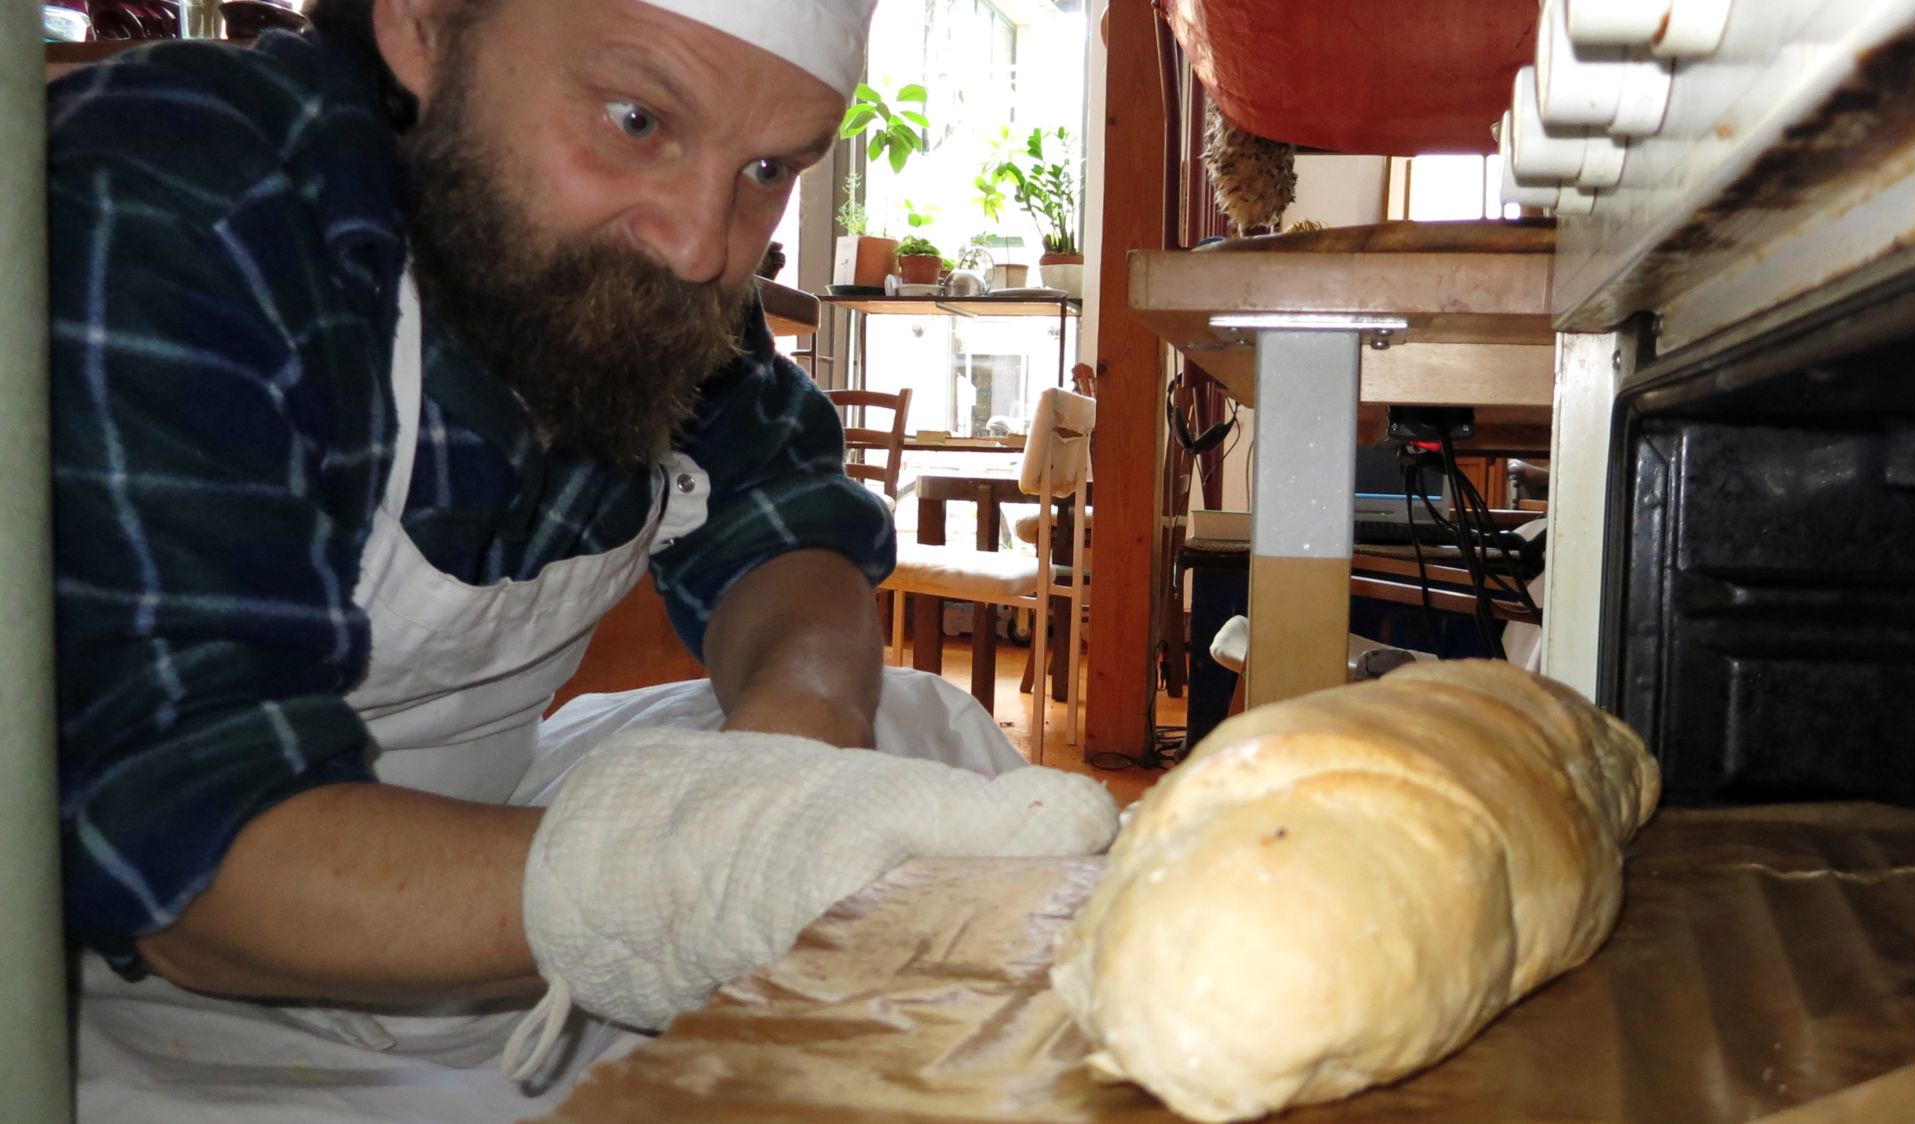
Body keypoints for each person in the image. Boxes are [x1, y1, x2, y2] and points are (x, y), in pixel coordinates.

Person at [46, 0, 1118, 1119]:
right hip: (148, 983)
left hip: (506, 868)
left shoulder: (643, 257)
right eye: (637, 120)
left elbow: (783, 517)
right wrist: (689, 876)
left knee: (916, 731)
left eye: (765, 169)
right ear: (422, 24)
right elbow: (184, 847)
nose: (701, 247)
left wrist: (787, 755)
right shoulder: (176, 199)